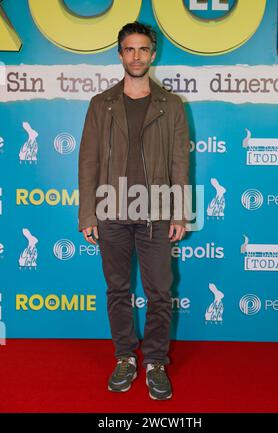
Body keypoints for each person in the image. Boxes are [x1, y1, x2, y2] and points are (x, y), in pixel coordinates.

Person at [78, 21, 190, 400]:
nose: (137, 56)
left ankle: (156, 361)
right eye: (130, 49)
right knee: (117, 289)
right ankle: (125, 357)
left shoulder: (171, 105)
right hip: (110, 211)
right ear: (120, 53)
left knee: (159, 290)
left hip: (156, 211)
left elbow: (179, 163)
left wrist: (179, 212)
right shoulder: (101, 104)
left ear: (152, 54)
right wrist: (87, 214)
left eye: (143, 49)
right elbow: (88, 162)